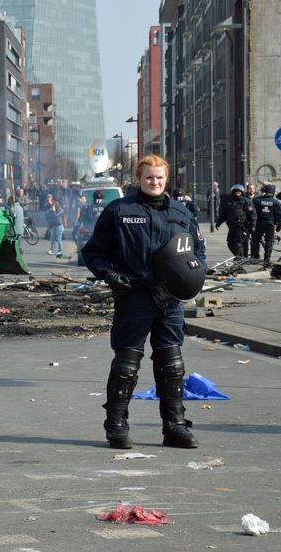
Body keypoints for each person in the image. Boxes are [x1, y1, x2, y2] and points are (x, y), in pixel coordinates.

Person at [82, 154, 206, 450]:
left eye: (160, 177)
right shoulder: (119, 211)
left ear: (167, 180)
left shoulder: (182, 212)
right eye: (149, 177)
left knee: (172, 365)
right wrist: (109, 274)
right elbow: (94, 251)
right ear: (139, 179)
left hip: (170, 301)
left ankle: (175, 426)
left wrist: (193, 279)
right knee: (127, 365)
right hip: (134, 296)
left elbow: (198, 254)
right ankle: (116, 425)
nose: (155, 182)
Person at [215, 184, 255, 257]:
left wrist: (253, 226)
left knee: (238, 243)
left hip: (242, 227)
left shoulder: (246, 201)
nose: (237, 194)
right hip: (232, 227)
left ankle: (240, 258)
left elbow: (252, 215)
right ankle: (239, 256)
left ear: (242, 192)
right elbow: (224, 214)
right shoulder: (229, 202)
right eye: (236, 192)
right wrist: (219, 223)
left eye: (239, 192)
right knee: (230, 243)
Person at [251, 184, 281, 266]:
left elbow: (252, 213)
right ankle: (267, 258)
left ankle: (255, 257)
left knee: (255, 240)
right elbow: (279, 215)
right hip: (270, 223)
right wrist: (279, 225)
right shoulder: (276, 202)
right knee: (269, 241)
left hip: (258, 223)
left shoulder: (256, 200)